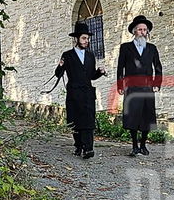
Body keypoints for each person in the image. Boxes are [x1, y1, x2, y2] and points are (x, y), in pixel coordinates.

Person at [56, 22, 107, 159]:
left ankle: (88, 148)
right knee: (75, 122)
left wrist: (100, 72)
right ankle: (78, 145)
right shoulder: (67, 55)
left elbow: (91, 76)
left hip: (88, 93)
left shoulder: (90, 55)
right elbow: (58, 74)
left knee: (88, 121)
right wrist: (60, 66)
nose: (86, 41)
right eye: (84, 38)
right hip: (74, 92)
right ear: (76, 39)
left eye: (87, 38)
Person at [116, 15, 163, 156]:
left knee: (147, 116)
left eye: (145, 30)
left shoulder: (152, 48)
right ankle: (134, 145)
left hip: (147, 88)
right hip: (132, 87)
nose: (143, 32)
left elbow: (158, 67)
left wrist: (157, 83)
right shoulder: (126, 48)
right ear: (134, 31)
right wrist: (120, 84)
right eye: (140, 29)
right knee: (133, 116)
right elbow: (120, 67)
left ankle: (143, 144)